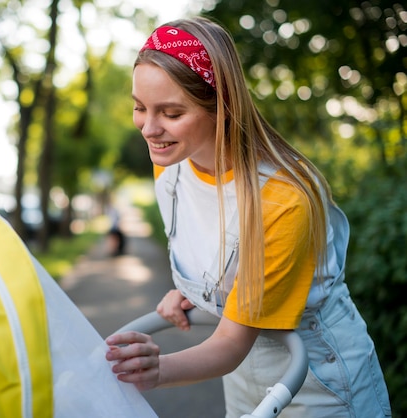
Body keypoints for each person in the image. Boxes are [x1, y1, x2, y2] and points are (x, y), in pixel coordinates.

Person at [104, 16, 391, 417]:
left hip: (319, 380)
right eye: (139, 107)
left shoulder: (282, 199)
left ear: (221, 106)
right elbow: (230, 266)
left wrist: (156, 370)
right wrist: (199, 294)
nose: (149, 128)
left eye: (170, 113)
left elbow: (232, 343)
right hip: (241, 380)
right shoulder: (171, 165)